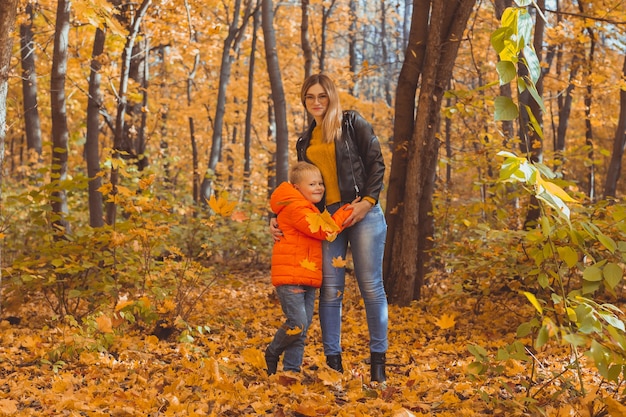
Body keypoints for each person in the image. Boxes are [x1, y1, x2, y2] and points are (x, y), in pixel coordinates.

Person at [270, 73, 389, 384]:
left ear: (332, 96)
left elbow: (376, 163)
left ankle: (378, 366)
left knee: (371, 288)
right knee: (330, 292)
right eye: (310, 97)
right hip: (326, 221)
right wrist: (274, 217)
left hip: (362, 211)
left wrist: (368, 202)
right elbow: (298, 190)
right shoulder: (304, 141)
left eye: (322, 96)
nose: (316, 102)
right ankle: (333, 365)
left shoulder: (352, 123)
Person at [265, 161, 353, 375]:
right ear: (296, 188)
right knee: (298, 323)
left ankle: (291, 371)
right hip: (291, 276)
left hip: (307, 275)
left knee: (301, 330)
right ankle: (273, 351)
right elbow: (323, 230)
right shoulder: (296, 208)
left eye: (320, 183)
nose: (319, 188)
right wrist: (347, 211)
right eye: (312, 184)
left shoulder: (305, 207)